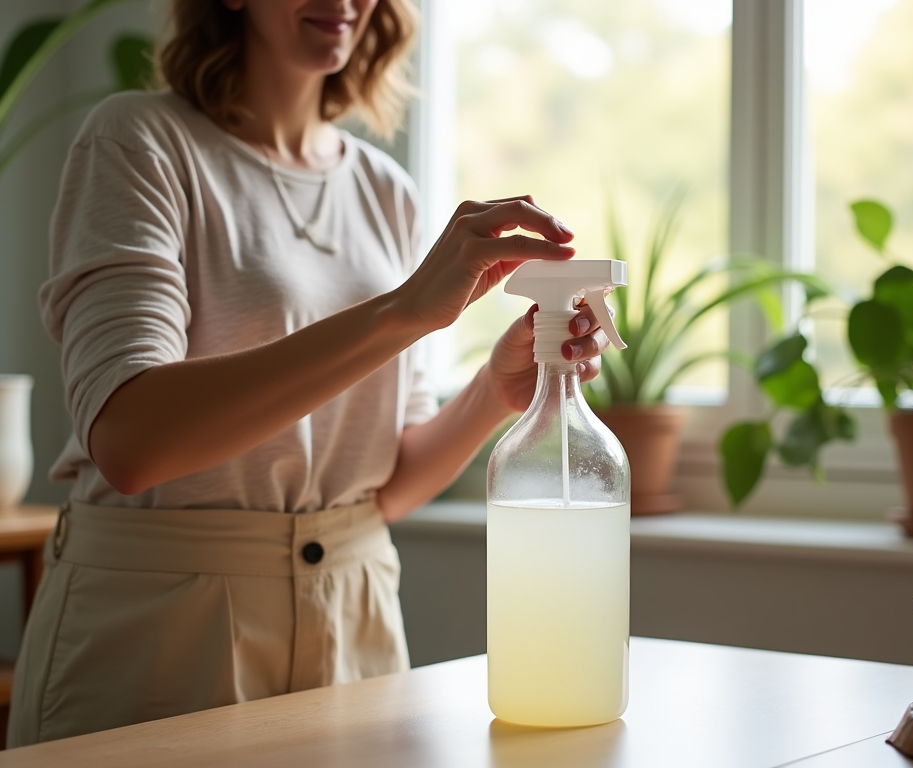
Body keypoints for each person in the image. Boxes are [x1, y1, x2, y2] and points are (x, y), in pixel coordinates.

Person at [7, 0, 611, 747]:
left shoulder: (385, 190)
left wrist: (495, 390)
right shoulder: (139, 141)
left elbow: (388, 488)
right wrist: (402, 312)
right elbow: (131, 441)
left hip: (354, 621)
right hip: (162, 628)